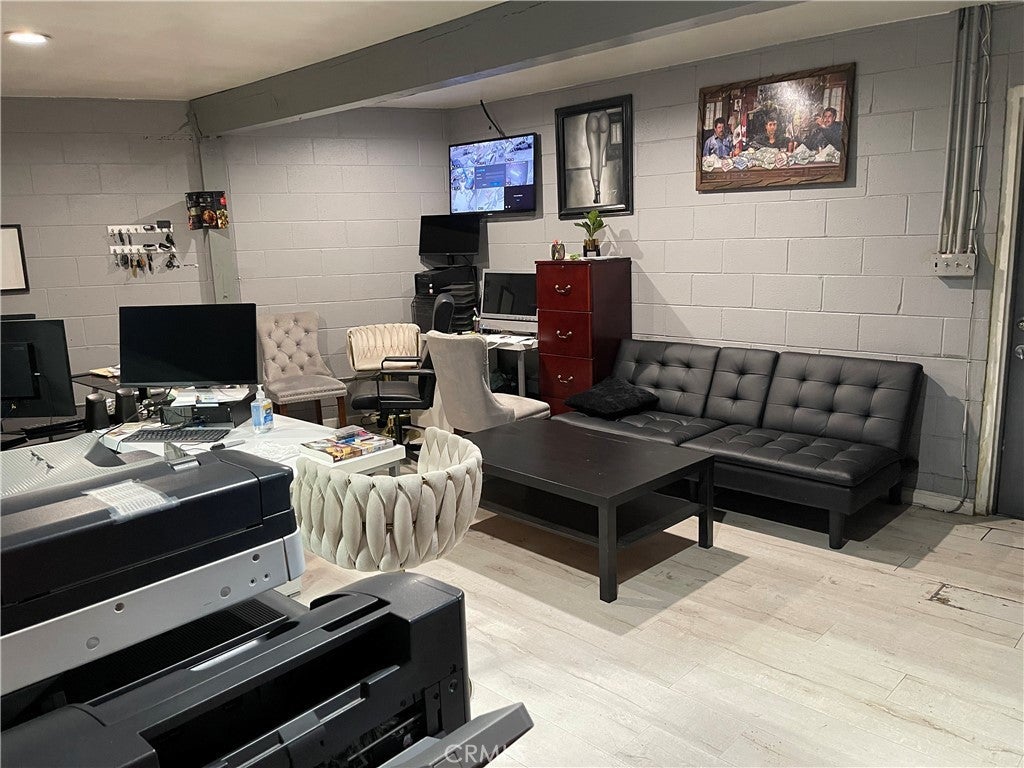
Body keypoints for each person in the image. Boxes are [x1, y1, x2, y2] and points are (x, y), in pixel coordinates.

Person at [585, 109, 610, 204]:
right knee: (600, 156)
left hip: (592, 115)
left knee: (594, 156)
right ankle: (597, 191)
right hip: (604, 115)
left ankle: (597, 189)